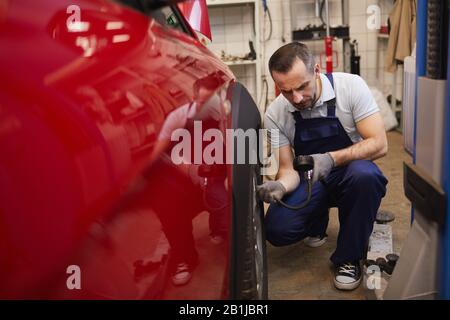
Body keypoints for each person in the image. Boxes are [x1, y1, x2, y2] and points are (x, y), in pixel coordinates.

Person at [257, 42, 388, 291]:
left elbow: (380, 144)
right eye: (286, 91)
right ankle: (317, 220)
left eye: (302, 87)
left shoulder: (350, 86)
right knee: (277, 229)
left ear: (316, 70)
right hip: (310, 178)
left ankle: (349, 257)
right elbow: (287, 168)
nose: (296, 98)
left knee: (365, 177)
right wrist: (280, 186)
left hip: (351, 171)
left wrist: (331, 159)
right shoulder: (275, 113)